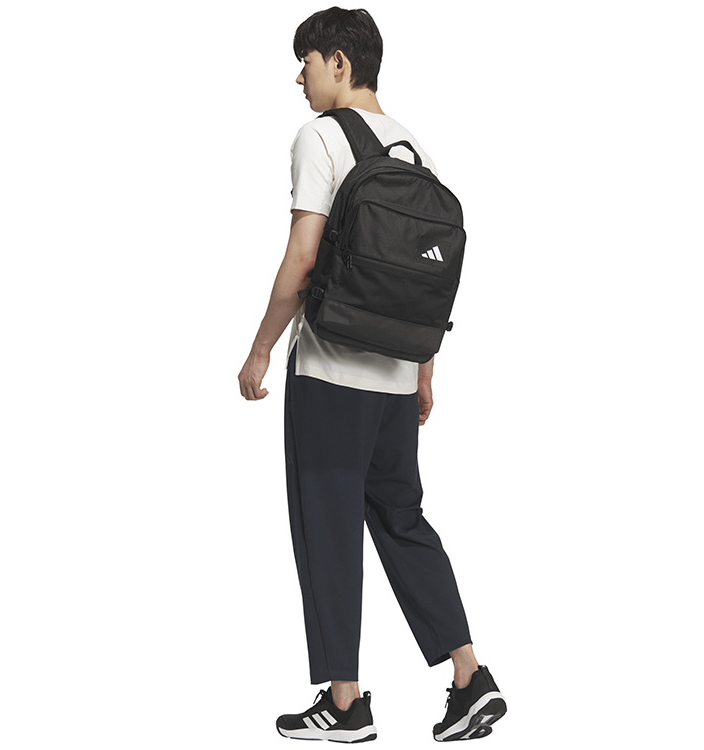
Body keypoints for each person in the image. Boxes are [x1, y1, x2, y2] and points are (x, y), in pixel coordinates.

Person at [238, 6, 507, 743]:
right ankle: (470, 677)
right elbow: (424, 282)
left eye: (307, 62)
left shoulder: (320, 137)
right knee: (402, 520)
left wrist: (261, 348)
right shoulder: (413, 149)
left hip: (331, 372)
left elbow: (303, 257)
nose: (299, 78)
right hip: (393, 379)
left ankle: (346, 702)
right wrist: (424, 372)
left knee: (326, 526)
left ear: (340, 63)